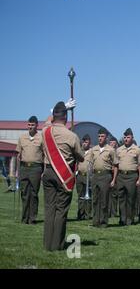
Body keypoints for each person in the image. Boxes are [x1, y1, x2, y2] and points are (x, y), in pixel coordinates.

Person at [41, 101, 84, 251]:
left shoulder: (45, 131)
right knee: (61, 211)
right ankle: (57, 244)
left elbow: (47, 120)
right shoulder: (72, 136)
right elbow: (81, 157)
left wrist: (64, 105)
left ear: (54, 116)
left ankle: (47, 244)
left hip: (48, 172)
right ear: (66, 117)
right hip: (63, 175)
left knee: (49, 209)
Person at [15, 115, 43, 224]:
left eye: (32, 125)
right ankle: (24, 218)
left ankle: (32, 218)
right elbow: (18, 155)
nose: (30, 126)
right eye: (29, 125)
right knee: (24, 193)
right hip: (24, 167)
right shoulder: (22, 137)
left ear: (37, 125)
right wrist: (17, 170)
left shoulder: (41, 138)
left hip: (36, 168)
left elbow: (45, 155)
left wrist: (43, 171)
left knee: (34, 193)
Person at [88, 128, 118, 227]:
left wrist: (113, 179)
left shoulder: (110, 149)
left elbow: (116, 165)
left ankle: (103, 222)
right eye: (99, 136)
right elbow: (90, 163)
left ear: (106, 137)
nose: (100, 138)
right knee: (95, 200)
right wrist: (91, 176)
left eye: (102, 136)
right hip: (96, 176)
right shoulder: (94, 149)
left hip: (106, 175)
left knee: (104, 200)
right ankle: (95, 221)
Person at [116, 128, 140, 226]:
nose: (126, 139)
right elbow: (115, 164)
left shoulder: (137, 150)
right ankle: (122, 219)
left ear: (132, 138)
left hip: (132, 176)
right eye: (125, 137)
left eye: (128, 137)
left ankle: (130, 219)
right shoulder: (119, 150)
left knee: (131, 199)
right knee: (121, 198)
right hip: (121, 176)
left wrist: (139, 179)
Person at [76, 134, 92, 220]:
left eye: (86, 142)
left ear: (89, 143)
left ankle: (88, 214)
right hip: (79, 175)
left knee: (88, 196)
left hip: (88, 176)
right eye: (83, 142)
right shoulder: (80, 152)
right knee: (80, 196)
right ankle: (80, 213)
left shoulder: (92, 152)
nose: (84, 143)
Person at [108, 136, 119, 218]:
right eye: (111, 142)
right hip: (108, 174)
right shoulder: (107, 151)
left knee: (114, 194)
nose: (112, 144)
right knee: (107, 194)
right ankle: (108, 212)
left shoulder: (118, 153)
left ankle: (114, 212)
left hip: (116, 174)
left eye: (114, 143)